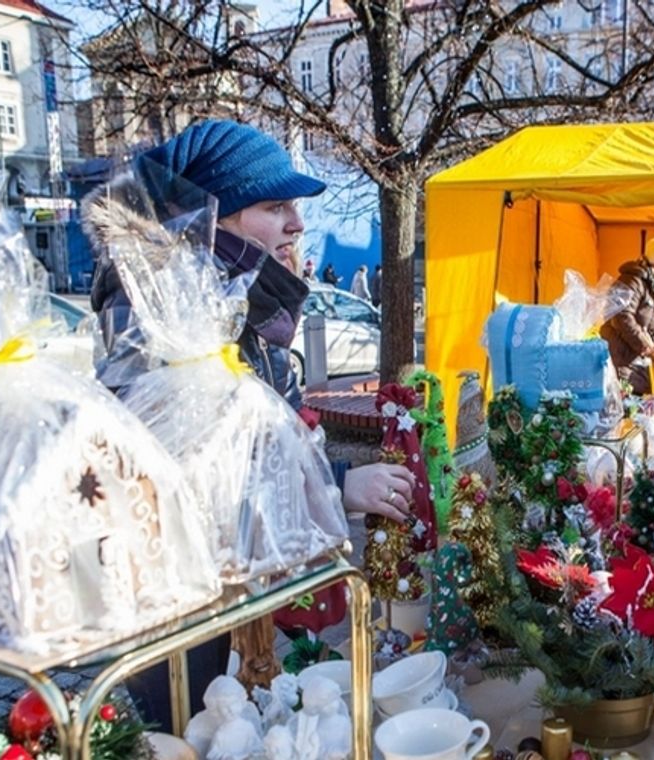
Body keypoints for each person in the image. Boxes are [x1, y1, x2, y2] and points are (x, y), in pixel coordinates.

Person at [87, 119, 415, 730]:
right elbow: (188, 474)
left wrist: (330, 477)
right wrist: (337, 486)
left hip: (224, 585)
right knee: (185, 728)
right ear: (219, 218)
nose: (297, 222)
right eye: (275, 205)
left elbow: (277, 437)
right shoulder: (161, 310)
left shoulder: (251, 302)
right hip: (171, 597)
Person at [599, 236, 654, 395]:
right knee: (623, 408)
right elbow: (621, 316)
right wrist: (644, 344)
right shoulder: (632, 281)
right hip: (620, 360)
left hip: (636, 362)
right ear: (653, 263)